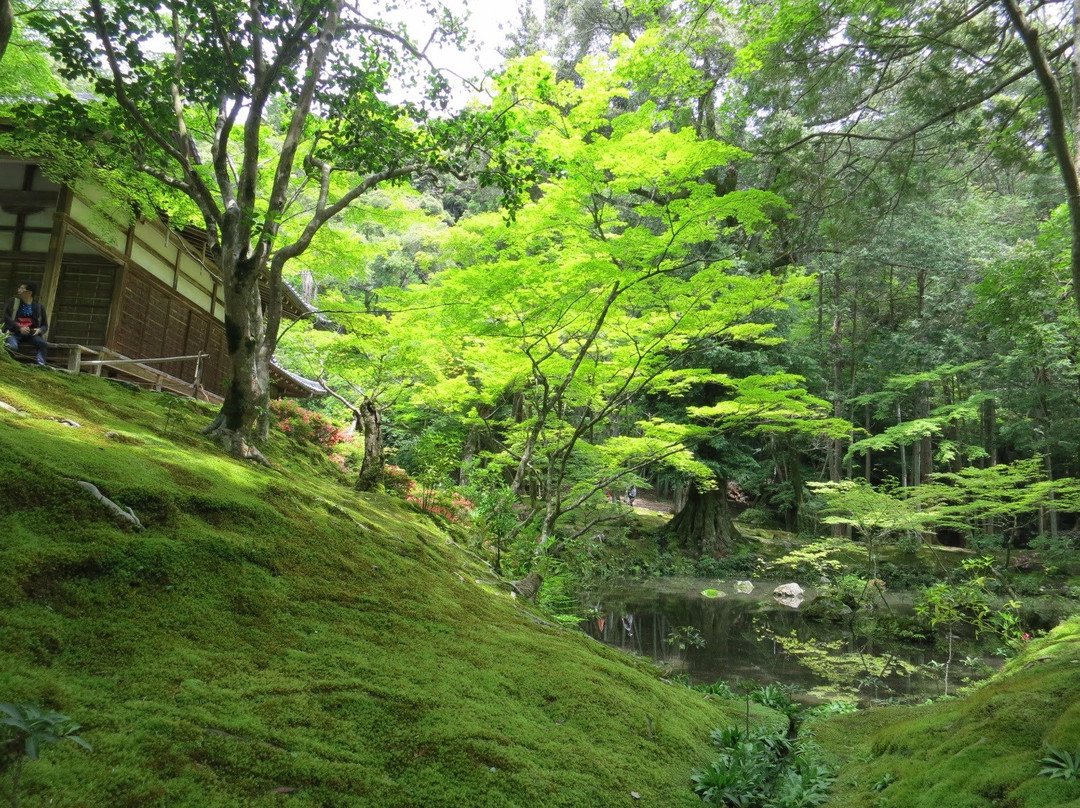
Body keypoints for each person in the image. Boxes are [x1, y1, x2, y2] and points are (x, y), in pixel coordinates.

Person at [3, 282, 49, 366]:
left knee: (42, 343)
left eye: (22, 288)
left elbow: (45, 325)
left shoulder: (39, 307)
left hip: (31, 334)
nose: (19, 290)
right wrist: (19, 328)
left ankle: (41, 364)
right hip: (14, 333)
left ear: (29, 292)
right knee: (12, 347)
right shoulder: (13, 302)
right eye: (19, 288)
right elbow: (6, 318)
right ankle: (9, 363)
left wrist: (39, 330)